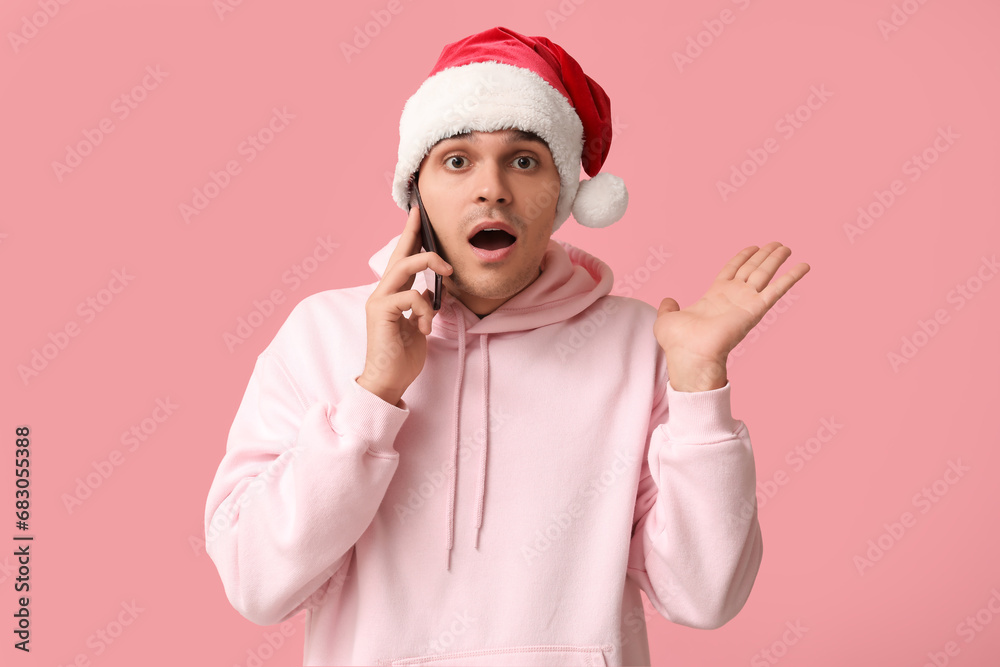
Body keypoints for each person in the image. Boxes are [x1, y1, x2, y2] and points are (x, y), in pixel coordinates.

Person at [204, 26, 809, 667]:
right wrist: (372, 396)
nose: (491, 188)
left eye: (524, 160)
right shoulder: (321, 333)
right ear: (417, 193)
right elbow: (255, 584)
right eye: (457, 160)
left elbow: (705, 597)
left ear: (565, 195)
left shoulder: (646, 344)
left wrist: (698, 384)